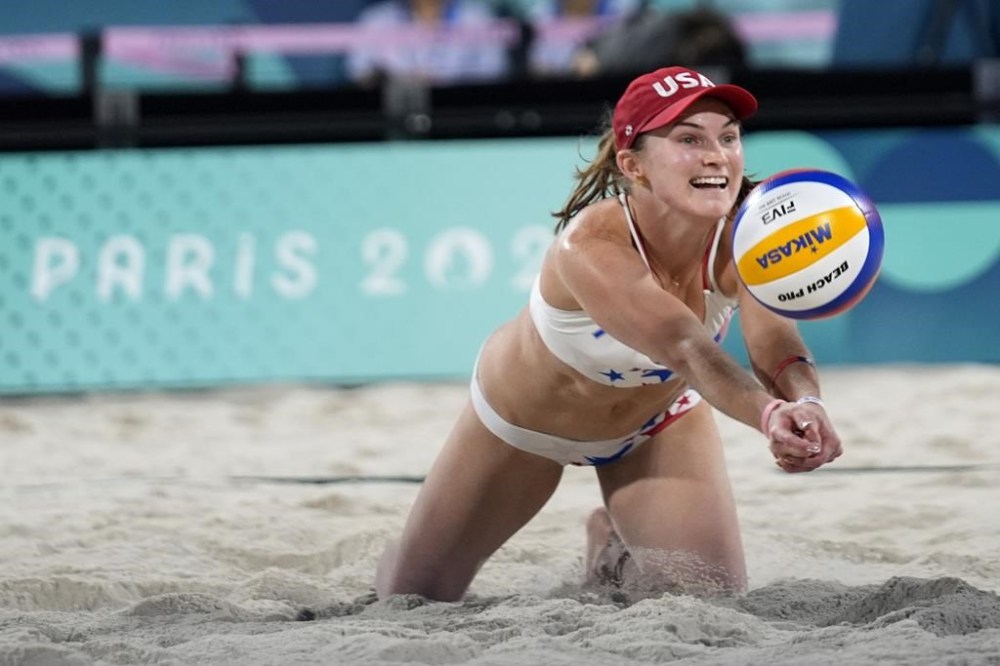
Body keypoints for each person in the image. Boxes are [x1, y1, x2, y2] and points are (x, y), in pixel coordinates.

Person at [374, 65, 843, 601]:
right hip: (521, 427)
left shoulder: (748, 235)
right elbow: (685, 347)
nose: (717, 155)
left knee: (712, 599)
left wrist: (808, 404)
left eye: (728, 137)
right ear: (632, 165)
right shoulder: (590, 245)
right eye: (689, 139)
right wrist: (767, 415)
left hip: (656, 425)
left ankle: (611, 546)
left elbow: (774, 344)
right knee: (411, 598)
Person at [346, 0, 510, 87]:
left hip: (462, 116)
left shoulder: (478, 18)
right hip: (397, 113)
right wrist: (401, 82)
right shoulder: (376, 20)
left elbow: (494, 73)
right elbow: (360, 75)